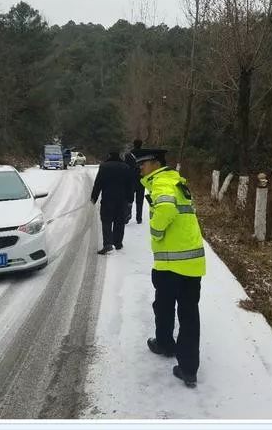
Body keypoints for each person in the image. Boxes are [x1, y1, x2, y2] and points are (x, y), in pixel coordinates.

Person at [136, 148, 206, 388]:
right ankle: (188, 369)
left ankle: (165, 344)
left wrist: (156, 231)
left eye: (143, 164)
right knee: (189, 314)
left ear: (155, 164)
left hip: (170, 263)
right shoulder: (177, 181)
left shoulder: (161, 182)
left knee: (164, 306)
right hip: (192, 261)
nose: (141, 169)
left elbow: (166, 209)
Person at [90, 149, 134, 254]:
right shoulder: (126, 167)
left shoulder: (104, 167)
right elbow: (130, 185)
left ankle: (108, 244)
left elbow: (98, 183)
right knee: (119, 221)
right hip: (121, 199)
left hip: (108, 198)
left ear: (109, 156)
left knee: (106, 221)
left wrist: (94, 197)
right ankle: (118, 243)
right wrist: (130, 199)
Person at [124, 139, 146, 224]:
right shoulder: (145, 155)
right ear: (141, 144)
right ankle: (139, 218)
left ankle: (127, 215)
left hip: (131, 180)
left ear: (134, 144)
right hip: (141, 180)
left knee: (129, 199)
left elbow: (126, 168)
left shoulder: (128, 155)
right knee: (140, 200)